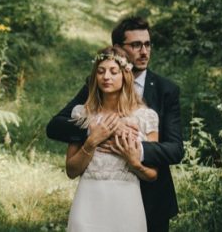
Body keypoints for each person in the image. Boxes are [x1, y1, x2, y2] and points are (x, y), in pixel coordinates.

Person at [47, 17, 183, 232]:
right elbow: (55, 126)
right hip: (95, 197)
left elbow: (176, 150)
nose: (144, 51)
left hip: (151, 196)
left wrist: (133, 150)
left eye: (147, 44)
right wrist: (98, 130)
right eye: (136, 45)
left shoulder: (167, 90)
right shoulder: (99, 82)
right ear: (118, 48)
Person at [65, 46, 159, 231]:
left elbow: (153, 174)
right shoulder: (81, 114)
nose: (106, 77)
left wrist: (133, 161)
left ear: (125, 75)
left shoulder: (145, 117)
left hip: (126, 203)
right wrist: (92, 141)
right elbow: (71, 170)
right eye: (101, 71)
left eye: (113, 72)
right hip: (88, 201)